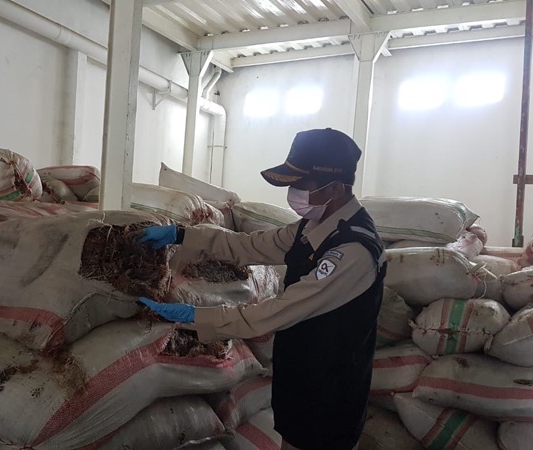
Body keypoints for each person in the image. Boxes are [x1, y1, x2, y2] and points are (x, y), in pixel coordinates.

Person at [137, 128, 387, 450]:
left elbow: (275, 313)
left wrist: (195, 316)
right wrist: (184, 235)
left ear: (337, 187)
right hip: (302, 377)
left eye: (302, 185)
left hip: (329, 394)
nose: (293, 193)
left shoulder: (352, 250)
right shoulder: (312, 227)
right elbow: (249, 246)